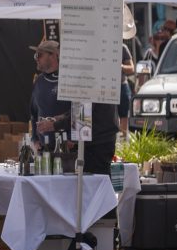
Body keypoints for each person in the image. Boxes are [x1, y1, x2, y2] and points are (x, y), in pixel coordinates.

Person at [28, 39, 120, 175]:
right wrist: (59, 119)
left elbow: (83, 111)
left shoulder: (91, 75)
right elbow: (80, 109)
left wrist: (56, 125)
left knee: (93, 186)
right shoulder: (86, 73)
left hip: (97, 143)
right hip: (89, 142)